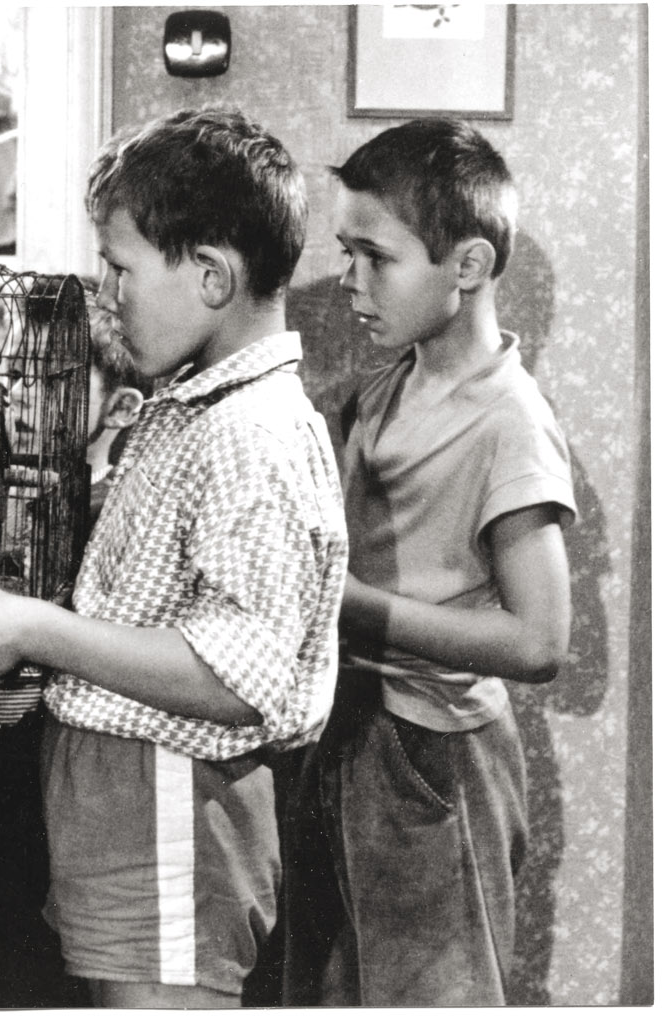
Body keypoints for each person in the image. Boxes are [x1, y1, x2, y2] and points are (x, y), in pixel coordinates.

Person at [0, 107, 349, 1008]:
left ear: (212, 276)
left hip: (172, 817)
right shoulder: (184, 410)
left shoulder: (249, 433)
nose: (104, 295)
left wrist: (35, 627)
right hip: (122, 820)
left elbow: (237, 677)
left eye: (120, 269)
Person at [280, 118, 575, 1007]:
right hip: (351, 735)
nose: (349, 281)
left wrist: (346, 605)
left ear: (469, 267)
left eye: (375, 257)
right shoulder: (390, 379)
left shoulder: (508, 421)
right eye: (345, 252)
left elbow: (538, 643)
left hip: (435, 755)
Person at [0, 290, 147, 1009]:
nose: (18, 398)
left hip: (58, 808)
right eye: (13, 376)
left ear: (122, 408)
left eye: (51, 379)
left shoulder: (122, 523)